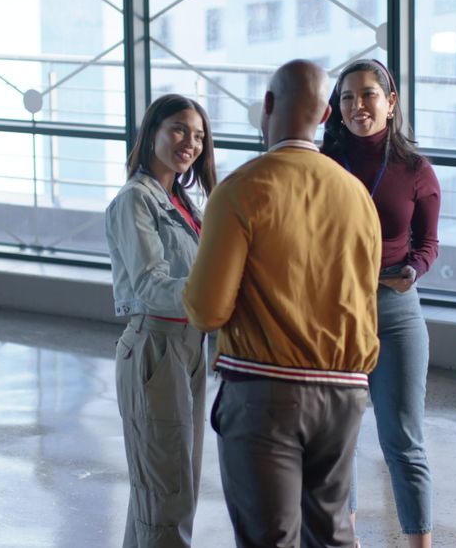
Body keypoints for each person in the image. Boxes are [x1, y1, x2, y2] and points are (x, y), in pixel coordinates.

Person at [182, 59, 382, 548]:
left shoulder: (242, 189)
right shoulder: (357, 195)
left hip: (264, 390)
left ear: (267, 106)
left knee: (269, 538)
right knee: (332, 532)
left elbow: (207, 310)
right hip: (345, 393)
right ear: (326, 114)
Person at [321, 59, 440, 548]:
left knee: (403, 443)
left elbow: (428, 245)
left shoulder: (415, 169)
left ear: (390, 103)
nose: (357, 106)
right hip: (335, 312)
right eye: (347, 97)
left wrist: (412, 271)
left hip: (394, 312)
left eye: (368, 95)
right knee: (337, 443)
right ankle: (343, 539)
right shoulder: (322, 163)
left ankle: (419, 542)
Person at [104, 93, 217, 548]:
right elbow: (151, 285)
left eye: (198, 135)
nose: (189, 142)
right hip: (156, 346)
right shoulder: (136, 200)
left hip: (188, 346)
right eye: (178, 130)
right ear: (151, 132)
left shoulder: (182, 201)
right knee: (166, 496)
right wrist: (214, 297)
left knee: (170, 489)